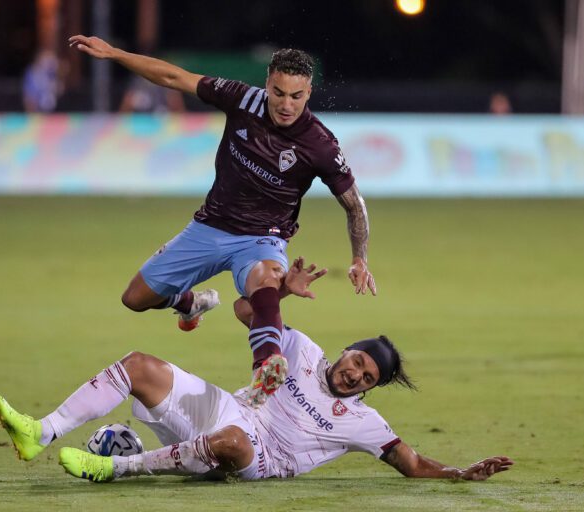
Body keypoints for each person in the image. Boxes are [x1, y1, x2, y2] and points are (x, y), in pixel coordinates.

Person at [0, 260, 513, 483]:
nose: (357, 375)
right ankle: (42, 431)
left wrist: (458, 472)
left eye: (368, 377)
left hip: (258, 458)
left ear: (370, 389)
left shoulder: (365, 423)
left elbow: (412, 462)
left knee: (235, 441)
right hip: (228, 407)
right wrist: (281, 293)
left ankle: (118, 465)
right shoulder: (302, 348)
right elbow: (247, 312)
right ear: (347, 349)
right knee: (139, 365)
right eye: (358, 360)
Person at [68, 35, 376, 405]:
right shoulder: (242, 99)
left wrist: (360, 257)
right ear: (267, 84)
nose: (286, 104)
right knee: (134, 299)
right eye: (278, 93)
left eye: (296, 96)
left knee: (265, 278)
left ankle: (266, 367)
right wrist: (115, 53)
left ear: (309, 92)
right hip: (210, 227)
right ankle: (188, 304)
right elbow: (173, 78)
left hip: (264, 237)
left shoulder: (321, 145)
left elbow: (354, 205)